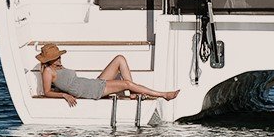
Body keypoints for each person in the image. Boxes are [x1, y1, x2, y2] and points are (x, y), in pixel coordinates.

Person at [36, 44, 180, 106]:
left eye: (59, 55)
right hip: (91, 91)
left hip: (91, 84)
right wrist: (64, 95)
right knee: (126, 84)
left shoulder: (58, 67)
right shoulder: (49, 71)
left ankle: (133, 94)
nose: (59, 58)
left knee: (119, 59)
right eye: (56, 57)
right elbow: (47, 92)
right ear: (49, 60)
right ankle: (163, 95)